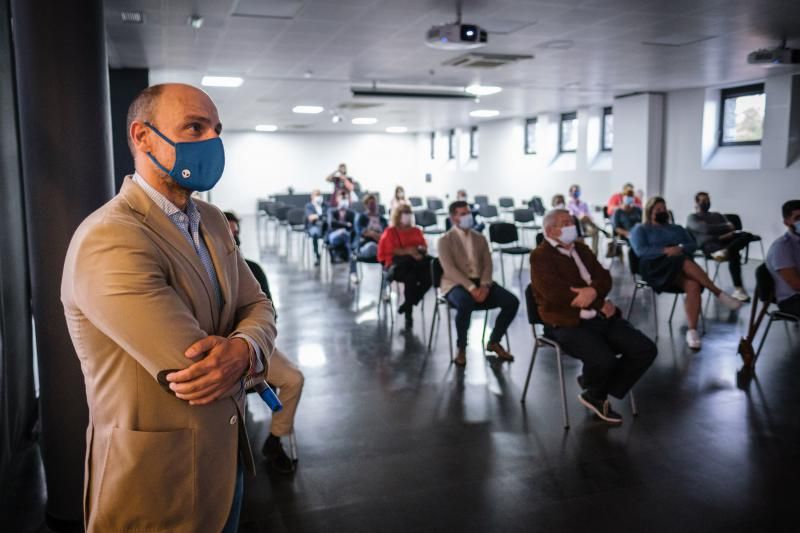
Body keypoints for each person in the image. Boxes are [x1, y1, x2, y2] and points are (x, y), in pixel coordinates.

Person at [61, 84, 276, 532]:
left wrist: (244, 350)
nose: (211, 143)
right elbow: (195, 367)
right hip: (158, 480)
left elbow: (258, 304)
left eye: (216, 131)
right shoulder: (111, 236)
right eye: (194, 128)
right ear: (142, 136)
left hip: (226, 461)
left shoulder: (213, 221)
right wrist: (247, 348)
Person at [530, 209, 657, 425]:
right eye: (565, 223)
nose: (572, 225)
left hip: (598, 317)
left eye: (571, 221)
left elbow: (604, 278)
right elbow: (557, 294)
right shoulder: (540, 256)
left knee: (645, 349)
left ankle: (594, 388)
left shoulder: (581, 248)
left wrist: (594, 292)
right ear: (550, 230)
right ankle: (597, 392)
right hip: (565, 322)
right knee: (604, 359)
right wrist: (599, 300)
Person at [224, 212, 304, 474]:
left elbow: (269, 314)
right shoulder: (200, 275)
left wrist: (251, 343)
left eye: (236, 233)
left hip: (256, 349)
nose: (233, 238)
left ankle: (275, 439)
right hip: (219, 357)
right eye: (228, 232)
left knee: (294, 379)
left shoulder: (252, 270)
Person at [630, 197, 743, 350]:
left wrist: (681, 248)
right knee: (682, 260)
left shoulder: (676, 228)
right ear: (650, 212)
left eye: (664, 209)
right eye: (658, 210)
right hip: (654, 266)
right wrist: (665, 250)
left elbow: (693, 244)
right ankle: (718, 293)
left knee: (693, 284)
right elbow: (640, 251)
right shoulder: (641, 229)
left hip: (677, 265)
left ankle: (692, 331)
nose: (662, 212)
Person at [438, 201, 519, 366]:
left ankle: (494, 341)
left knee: (512, 301)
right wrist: (471, 288)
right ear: (454, 218)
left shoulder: (480, 238)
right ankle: (461, 347)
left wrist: (484, 285)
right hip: (455, 283)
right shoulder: (444, 240)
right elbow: (449, 269)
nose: (468, 216)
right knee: (465, 302)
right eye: (463, 214)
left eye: (468, 213)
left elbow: (488, 264)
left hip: (482, 282)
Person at [686, 192, 758, 302]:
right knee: (734, 254)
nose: (706, 202)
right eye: (703, 200)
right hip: (710, 245)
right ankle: (739, 289)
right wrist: (721, 233)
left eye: (708, 200)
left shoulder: (717, 215)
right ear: (696, 202)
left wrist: (723, 231)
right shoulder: (692, 217)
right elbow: (706, 229)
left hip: (726, 243)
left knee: (747, 235)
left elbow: (731, 227)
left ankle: (726, 251)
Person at [377, 203, 432, 328]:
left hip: (417, 263)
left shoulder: (416, 230)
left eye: (408, 213)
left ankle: (408, 303)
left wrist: (419, 251)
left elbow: (423, 247)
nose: (407, 216)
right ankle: (408, 312)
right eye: (404, 213)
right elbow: (390, 250)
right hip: (399, 265)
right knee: (410, 278)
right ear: (398, 215)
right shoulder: (390, 232)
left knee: (430, 275)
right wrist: (409, 252)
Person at [766, 200, 800, 318]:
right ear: (786, 222)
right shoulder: (782, 247)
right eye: (797, 218)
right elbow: (796, 284)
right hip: (792, 300)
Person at [327, 189, 357, 281]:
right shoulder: (332, 211)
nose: (344, 199)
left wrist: (345, 228)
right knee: (346, 237)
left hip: (347, 236)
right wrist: (346, 225)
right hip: (333, 236)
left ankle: (352, 268)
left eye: (345, 198)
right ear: (337, 199)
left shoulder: (351, 213)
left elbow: (354, 227)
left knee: (348, 238)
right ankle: (352, 263)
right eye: (342, 197)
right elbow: (332, 223)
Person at [567, 184, 607, 255]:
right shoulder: (569, 204)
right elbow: (571, 216)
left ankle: (594, 254)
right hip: (576, 225)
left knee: (595, 231)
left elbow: (589, 215)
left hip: (586, 225)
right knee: (584, 218)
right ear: (570, 192)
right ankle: (602, 230)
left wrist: (586, 216)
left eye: (578, 191)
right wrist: (582, 216)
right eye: (574, 191)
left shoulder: (584, 204)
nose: (576, 192)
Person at [355, 193, 388, 260]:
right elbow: (362, 232)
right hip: (366, 244)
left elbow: (386, 234)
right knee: (372, 247)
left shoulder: (382, 219)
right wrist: (378, 236)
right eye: (371, 203)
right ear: (366, 205)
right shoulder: (362, 217)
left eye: (375, 203)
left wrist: (372, 233)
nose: (373, 205)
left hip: (381, 244)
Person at [305, 189, 327, 266]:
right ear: (312, 197)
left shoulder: (325, 205)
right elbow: (311, 217)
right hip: (314, 226)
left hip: (325, 226)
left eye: (319, 195)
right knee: (315, 233)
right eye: (316, 195)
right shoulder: (309, 206)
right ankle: (316, 254)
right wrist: (320, 215)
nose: (318, 197)